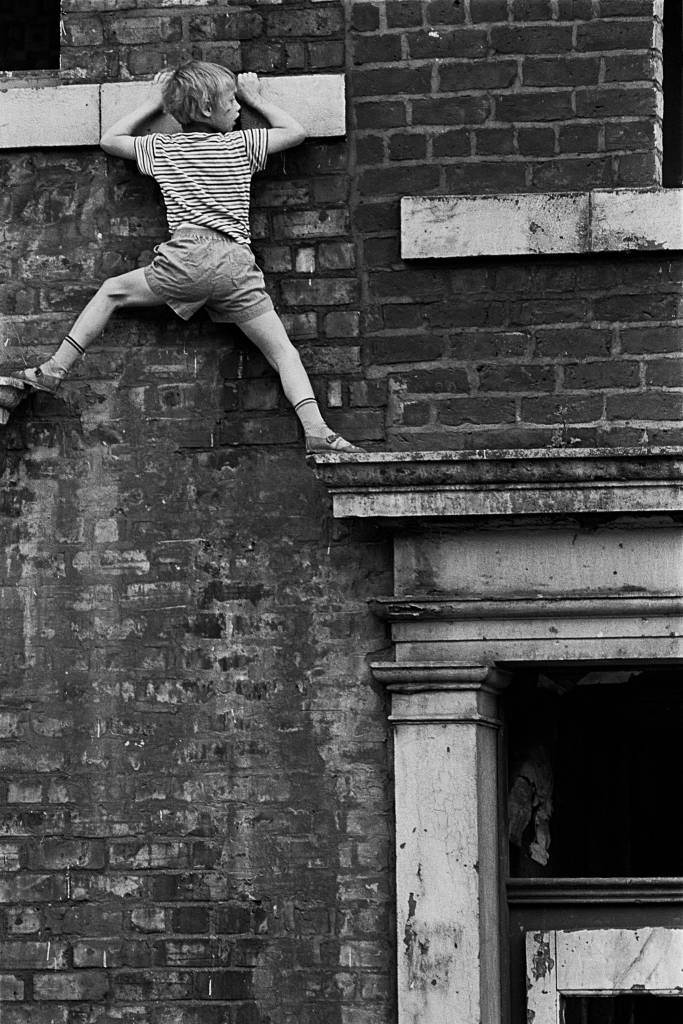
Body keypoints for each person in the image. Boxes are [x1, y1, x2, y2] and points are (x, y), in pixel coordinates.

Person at [12, 61, 363, 454]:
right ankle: (316, 428)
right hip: (235, 266)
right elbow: (295, 132)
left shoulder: (164, 148)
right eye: (231, 100)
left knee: (111, 291)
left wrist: (150, 103)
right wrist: (257, 98)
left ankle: (54, 369)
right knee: (283, 352)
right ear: (209, 109)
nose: (238, 108)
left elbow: (111, 140)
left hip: (187, 257)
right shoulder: (241, 144)